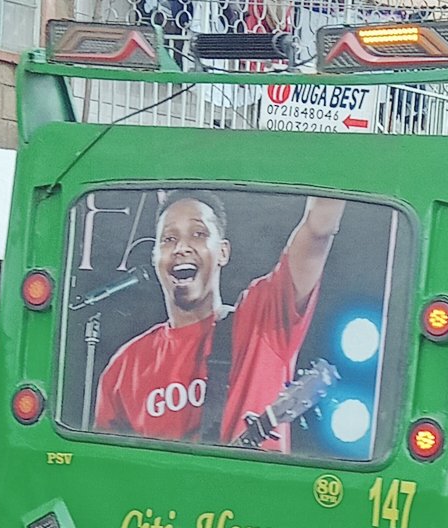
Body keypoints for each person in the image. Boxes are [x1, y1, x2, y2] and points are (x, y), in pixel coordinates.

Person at [94, 190, 344, 449]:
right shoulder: (123, 368)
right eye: (169, 239)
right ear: (155, 257)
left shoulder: (262, 320)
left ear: (223, 252)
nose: (181, 248)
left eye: (198, 234)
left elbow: (318, 228)